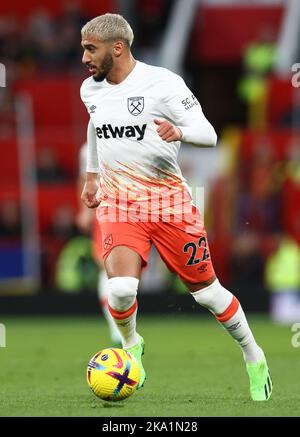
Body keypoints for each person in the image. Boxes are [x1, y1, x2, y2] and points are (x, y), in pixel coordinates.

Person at [79, 13, 272, 401]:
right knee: (119, 288)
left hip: (170, 206)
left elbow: (209, 133)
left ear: (117, 48)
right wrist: (91, 174)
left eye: (90, 48)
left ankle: (254, 355)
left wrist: (179, 131)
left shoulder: (163, 84)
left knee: (208, 294)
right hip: (120, 204)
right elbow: (95, 124)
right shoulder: (90, 89)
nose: (84, 57)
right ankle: (132, 345)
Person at [76, 143, 121, 345]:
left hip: (133, 209)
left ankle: (121, 331)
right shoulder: (88, 148)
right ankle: (118, 334)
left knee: (124, 275)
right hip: (105, 211)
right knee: (108, 268)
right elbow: (85, 180)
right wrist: (85, 211)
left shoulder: (131, 132)